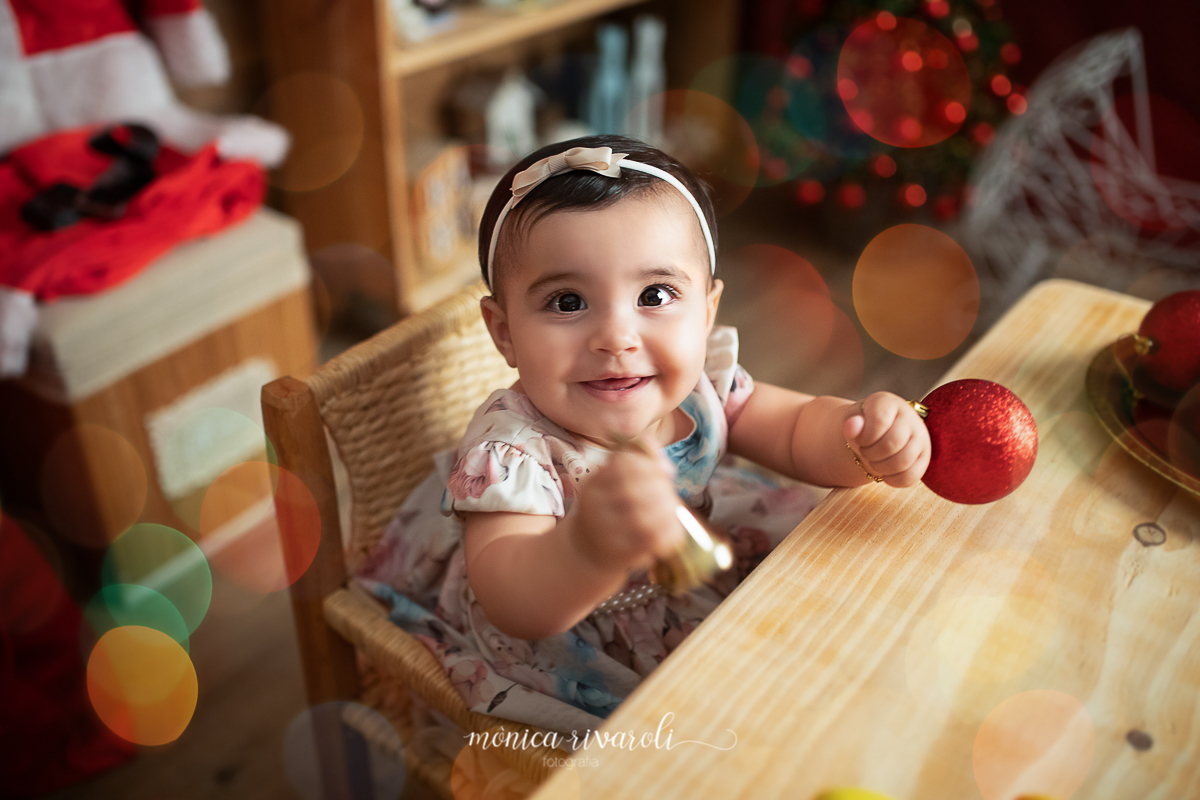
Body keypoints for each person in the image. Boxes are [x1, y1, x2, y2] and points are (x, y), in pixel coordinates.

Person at [356, 135, 930, 737]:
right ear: (503, 333)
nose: (616, 337)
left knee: (852, 629)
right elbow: (511, 596)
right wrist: (586, 548)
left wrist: (859, 435)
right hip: (578, 639)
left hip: (699, 563)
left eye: (654, 295)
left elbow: (791, 431)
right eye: (568, 301)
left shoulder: (702, 387)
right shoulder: (511, 451)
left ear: (706, 314)